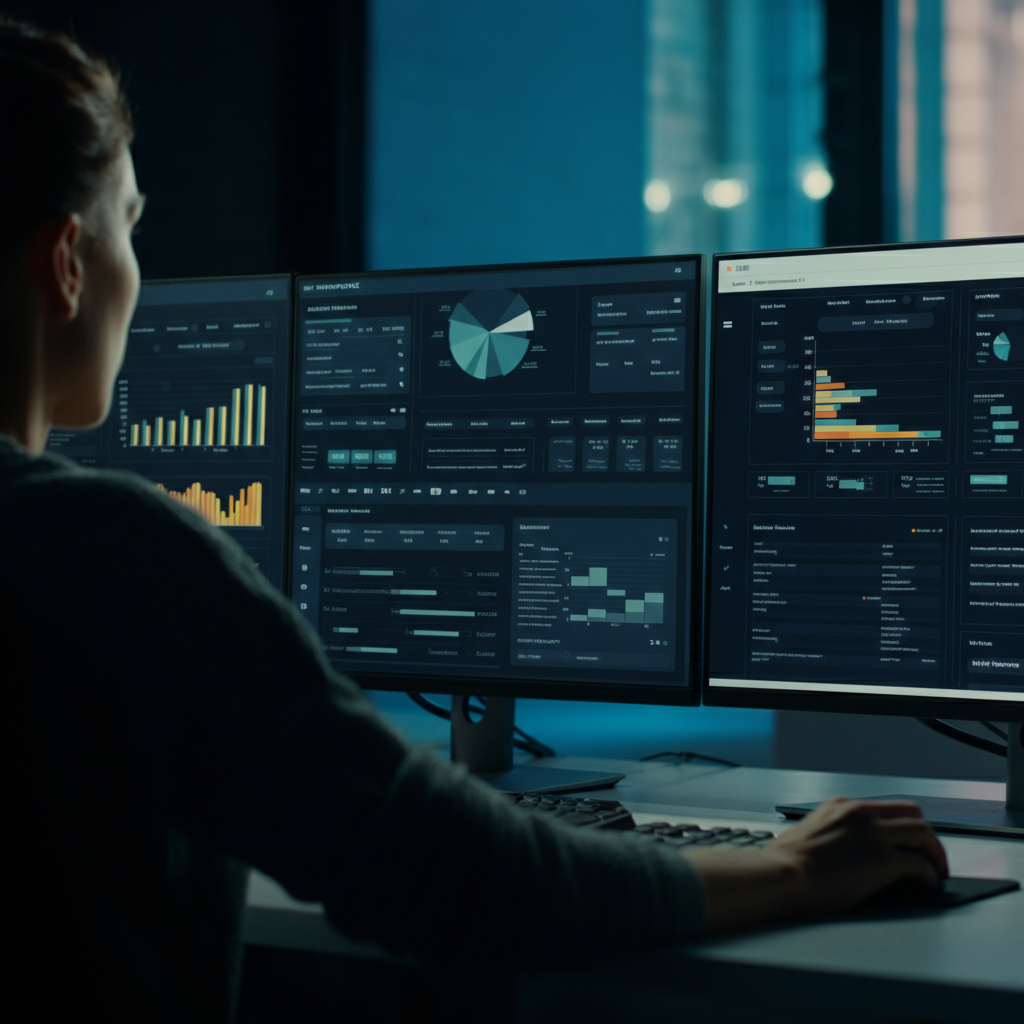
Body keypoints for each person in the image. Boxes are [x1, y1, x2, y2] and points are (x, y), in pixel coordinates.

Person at [0, 17, 949, 1023]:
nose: (137, 271)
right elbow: (467, 882)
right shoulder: (102, 548)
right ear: (66, 260)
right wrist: (799, 868)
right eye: (130, 225)